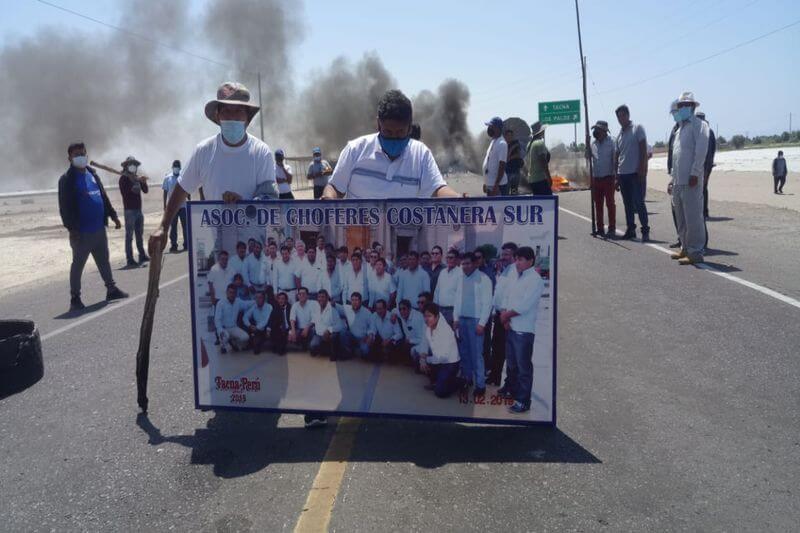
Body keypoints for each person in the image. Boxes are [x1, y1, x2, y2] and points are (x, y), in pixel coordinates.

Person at [150, 82, 278, 256]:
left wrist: (243, 205)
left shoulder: (261, 152)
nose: (232, 117)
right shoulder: (204, 151)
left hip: (253, 249)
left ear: (247, 118)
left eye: (239, 111)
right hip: (217, 248)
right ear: (217, 117)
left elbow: (270, 199)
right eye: (226, 111)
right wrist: (163, 227)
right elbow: (181, 188)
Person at [321, 89, 458, 199]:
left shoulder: (421, 154)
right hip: (361, 233)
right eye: (388, 132)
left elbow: (437, 188)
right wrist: (328, 198)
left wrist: (460, 200)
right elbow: (335, 187)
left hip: (406, 233)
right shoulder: (355, 150)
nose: (394, 138)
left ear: (409, 128)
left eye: (400, 133)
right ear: (378, 124)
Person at [58, 142, 128, 310]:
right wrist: (72, 229)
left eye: (83, 153)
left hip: (99, 229)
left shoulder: (92, 174)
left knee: (104, 260)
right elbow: (64, 207)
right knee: (78, 265)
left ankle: (111, 289)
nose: (80, 157)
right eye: (76, 155)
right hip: (81, 232)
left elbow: (103, 197)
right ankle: (75, 298)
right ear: (70, 158)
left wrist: (113, 216)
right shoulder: (67, 179)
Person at [498, 246, 545, 414]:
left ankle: (523, 401)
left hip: (523, 331)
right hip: (510, 327)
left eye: (520, 259)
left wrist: (506, 315)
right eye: (516, 259)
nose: (516, 262)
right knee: (511, 364)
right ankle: (511, 389)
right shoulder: (517, 276)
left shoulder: (535, 280)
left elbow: (525, 306)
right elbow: (506, 297)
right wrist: (504, 315)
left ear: (530, 261)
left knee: (524, 367)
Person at [669, 92, 710, 266]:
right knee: (681, 217)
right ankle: (685, 247)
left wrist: (695, 172)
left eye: (686, 105)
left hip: (691, 179)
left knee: (693, 217)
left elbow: (701, 150)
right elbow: (676, 155)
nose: (682, 108)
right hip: (678, 180)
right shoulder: (680, 129)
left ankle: (696, 252)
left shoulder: (699, 125)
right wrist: (672, 179)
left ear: (692, 107)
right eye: (680, 105)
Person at [453, 252, 493, 398]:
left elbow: (487, 303)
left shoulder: (484, 279)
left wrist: (482, 323)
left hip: (476, 321)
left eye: (468, 263)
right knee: (464, 352)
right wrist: (455, 319)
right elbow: (457, 299)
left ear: (475, 263)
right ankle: (467, 379)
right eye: (463, 264)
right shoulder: (460, 278)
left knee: (477, 355)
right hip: (462, 320)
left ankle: (480, 385)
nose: (465, 266)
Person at [614, 105, 650, 241]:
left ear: (628, 115)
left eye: (623, 115)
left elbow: (643, 150)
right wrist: (616, 177)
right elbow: (617, 156)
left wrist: (642, 170)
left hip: (635, 174)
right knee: (627, 204)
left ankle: (645, 230)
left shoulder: (637, 128)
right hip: (623, 175)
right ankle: (631, 229)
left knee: (639, 203)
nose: (621, 119)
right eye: (618, 117)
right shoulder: (619, 135)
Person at [487, 242, 517, 386]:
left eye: (507, 254)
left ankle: (508, 383)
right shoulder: (504, 270)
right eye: (502, 254)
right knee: (496, 348)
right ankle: (494, 377)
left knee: (506, 351)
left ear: (514, 256)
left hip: (506, 317)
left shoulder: (515, 272)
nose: (503, 257)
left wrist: (505, 318)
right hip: (498, 315)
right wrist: (495, 312)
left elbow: (511, 296)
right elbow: (498, 294)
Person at [419, 303, 462, 399]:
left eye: (429, 316)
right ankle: (436, 380)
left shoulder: (445, 330)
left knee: (440, 392)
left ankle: (460, 381)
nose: (426, 319)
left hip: (450, 363)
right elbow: (424, 343)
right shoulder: (428, 325)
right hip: (437, 360)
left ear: (437, 316)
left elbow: (443, 357)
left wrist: (427, 360)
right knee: (419, 361)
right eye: (425, 316)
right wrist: (422, 359)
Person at [119, 155, 150, 266]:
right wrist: (133, 183)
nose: (133, 166)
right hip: (129, 211)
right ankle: (129, 258)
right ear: (126, 166)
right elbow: (126, 193)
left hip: (138, 210)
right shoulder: (123, 179)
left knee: (139, 234)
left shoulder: (137, 177)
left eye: (134, 165)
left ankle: (142, 255)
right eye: (131, 164)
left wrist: (143, 182)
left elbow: (145, 190)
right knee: (129, 236)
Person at [215, 284, 253, 354]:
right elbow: (217, 319)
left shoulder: (238, 301)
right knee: (225, 336)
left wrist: (256, 300)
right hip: (224, 328)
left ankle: (233, 342)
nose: (232, 294)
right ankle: (223, 346)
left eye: (234, 293)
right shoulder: (220, 303)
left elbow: (247, 304)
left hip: (234, 327)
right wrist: (220, 330)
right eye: (230, 292)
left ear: (236, 293)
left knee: (246, 337)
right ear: (226, 292)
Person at [309, 290, 344, 360]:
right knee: (313, 348)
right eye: (319, 297)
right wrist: (307, 327)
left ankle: (333, 352)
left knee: (334, 336)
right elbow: (313, 320)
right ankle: (325, 350)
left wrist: (328, 330)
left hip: (329, 335)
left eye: (323, 297)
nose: (320, 299)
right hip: (318, 334)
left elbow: (340, 326)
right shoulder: (316, 308)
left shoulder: (332, 310)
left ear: (327, 298)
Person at [667, 100, 683, 249]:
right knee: (676, 209)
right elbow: (673, 155)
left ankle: (699, 244)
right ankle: (682, 239)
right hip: (676, 176)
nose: (674, 116)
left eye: (675, 112)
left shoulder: (695, 128)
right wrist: (671, 178)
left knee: (692, 214)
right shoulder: (675, 130)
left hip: (690, 179)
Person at [162, 160, 187, 252]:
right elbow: (165, 191)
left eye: (177, 166)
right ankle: (173, 245)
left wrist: (189, 199)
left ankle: (186, 244)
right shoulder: (167, 178)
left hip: (183, 206)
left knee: (185, 226)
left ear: (180, 168)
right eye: (175, 166)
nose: (176, 168)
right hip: (172, 206)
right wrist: (165, 205)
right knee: (173, 227)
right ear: (172, 167)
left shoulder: (183, 177)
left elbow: (187, 189)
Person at [395, 299, 428, 370]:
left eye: (404, 309)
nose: (402, 311)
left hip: (421, 343)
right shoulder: (402, 314)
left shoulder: (417, 319)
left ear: (410, 309)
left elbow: (422, 339)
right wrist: (393, 314)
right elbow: (394, 311)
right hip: (410, 340)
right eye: (400, 309)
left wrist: (410, 341)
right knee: (397, 343)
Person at [695, 112, 716, 219]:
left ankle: (703, 212)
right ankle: (703, 211)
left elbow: (710, 151)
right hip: (705, 165)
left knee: (702, 188)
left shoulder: (707, 132)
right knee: (702, 188)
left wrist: (708, 167)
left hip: (705, 165)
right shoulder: (707, 131)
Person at [341, 292, 374, 359]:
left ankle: (356, 350)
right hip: (352, 337)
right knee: (343, 332)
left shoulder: (367, 312)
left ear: (361, 301)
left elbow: (372, 327)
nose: (354, 302)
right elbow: (336, 306)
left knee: (365, 352)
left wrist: (370, 336)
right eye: (352, 300)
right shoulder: (347, 309)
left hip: (363, 339)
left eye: (356, 300)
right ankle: (348, 352)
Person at [432, 249, 461, 326]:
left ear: (457, 259)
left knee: (452, 336)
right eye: (447, 258)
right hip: (440, 310)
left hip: (453, 311)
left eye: (451, 258)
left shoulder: (461, 273)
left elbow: (460, 295)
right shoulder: (442, 272)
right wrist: (435, 309)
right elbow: (437, 291)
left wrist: (456, 317)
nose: (449, 260)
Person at [525, 121, 553, 196]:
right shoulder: (539, 143)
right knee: (548, 202)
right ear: (541, 131)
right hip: (540, 179)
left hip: (532, 179)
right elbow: (543, 162)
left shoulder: (529, 144)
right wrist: (548, 177)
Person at [482, 116, 508, 196]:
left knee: (499, 208)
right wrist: (485, 183)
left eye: (491, 126)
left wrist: (496, 186)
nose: (489, 129)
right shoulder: (493, 141)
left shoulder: (502, 144)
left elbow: (502, 166)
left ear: (497, 128)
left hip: (498, 187)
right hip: (491, 185)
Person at [243, 290, 273, 354]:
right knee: (256, 351)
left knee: (257, 346)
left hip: (266, 329)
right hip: (256, 330)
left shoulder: (269, 307)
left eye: (260, 297)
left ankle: (257, 340)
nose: (258, 299)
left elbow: (266, 320)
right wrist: (249, 325)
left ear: (264, 299)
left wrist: (256, 328)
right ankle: (252, 341)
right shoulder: (254, 307)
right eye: (256, 297)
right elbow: (245, 317)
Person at [504, 128, 524, 195]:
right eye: (508, 135)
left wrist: (512, 155)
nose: (510, 137)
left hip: (515, 172)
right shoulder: (503, 145)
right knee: (505, 193)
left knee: (514, 192)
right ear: (505, 136)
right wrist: (512, 150)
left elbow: (519, 155)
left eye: (511, 135)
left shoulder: (516, 144)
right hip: (507, 173)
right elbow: (506, 159)